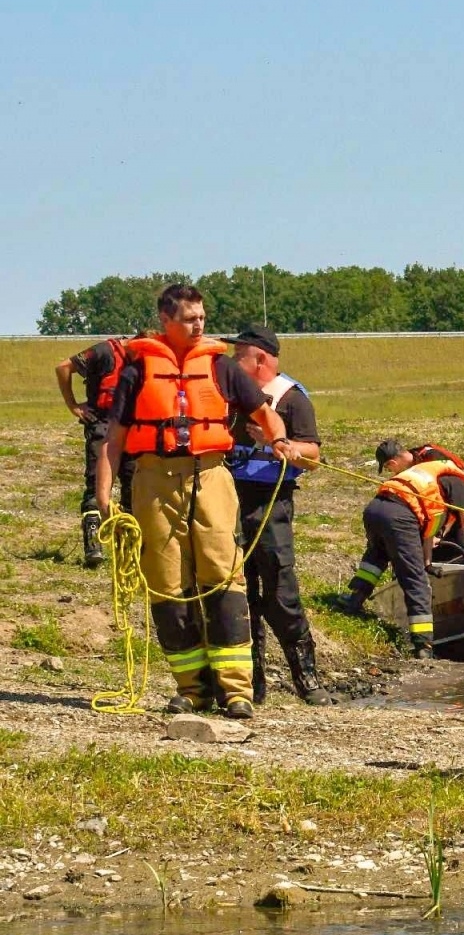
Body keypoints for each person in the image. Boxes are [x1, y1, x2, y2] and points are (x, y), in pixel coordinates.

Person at [95, 284, 291, 719]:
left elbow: (264, 413)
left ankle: (236, 691)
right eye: (189, 318)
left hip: (211, 477)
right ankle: (192, 689)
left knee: (223, 577)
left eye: (201, 316)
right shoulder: (137, 372)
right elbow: (114, 441)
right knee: (166, 585)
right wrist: (103, 494)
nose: (199, 324)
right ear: (166, 320)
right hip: (154, 481)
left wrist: (278, 439)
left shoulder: (221, 367)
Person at [224, 325, 333, 707]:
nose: (232, 365)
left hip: (270, 504)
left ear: (261, 359)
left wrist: (275, 445)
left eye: (238, 358)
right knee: (236, 593)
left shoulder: (292, 398)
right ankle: (249, 684)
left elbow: (313, 457)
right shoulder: (228, 394)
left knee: (279, 590)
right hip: (227, 501)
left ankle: (307, 679)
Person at [335, 447, 464, 657]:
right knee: (416, 580)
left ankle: (353, 600)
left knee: (375, 558)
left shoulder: (431, 479)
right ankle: (423, 645)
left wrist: (428, 563)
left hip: (375, 509)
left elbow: (428, 533)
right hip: (400, 516)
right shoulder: (460, 482)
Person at [55, 334, 136, 566]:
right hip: (101, 423)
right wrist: (73, 405)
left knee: (132, 487)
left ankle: (128, 548)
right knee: (95, 485)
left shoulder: (145, 358)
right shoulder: (103, 351)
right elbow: (63, 367)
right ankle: (93, 546)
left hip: (130, 428)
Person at [374, 439, 464, 561]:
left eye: (388, 468)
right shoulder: (412, 465)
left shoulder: (432, 458)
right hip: (442, 513)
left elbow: (453, 498)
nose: (392, 472)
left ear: (393, 463)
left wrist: (439, 533)